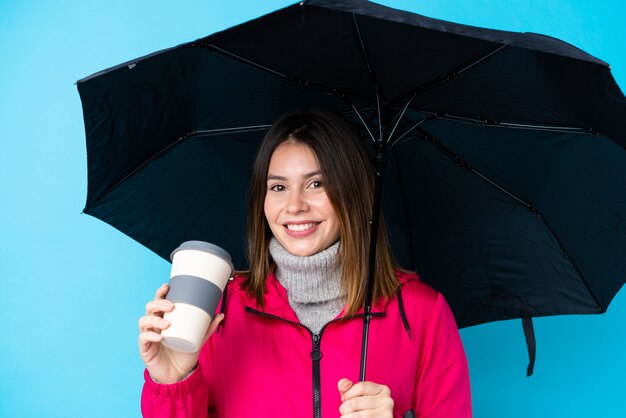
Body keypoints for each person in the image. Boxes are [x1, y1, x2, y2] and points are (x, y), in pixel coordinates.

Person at [138, 109, 472, 417]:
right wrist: (172, 380)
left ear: (352, 191)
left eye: (316, 183)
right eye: (279, 187)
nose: (294, 205)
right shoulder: (219, 309)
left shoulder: (421, 311)